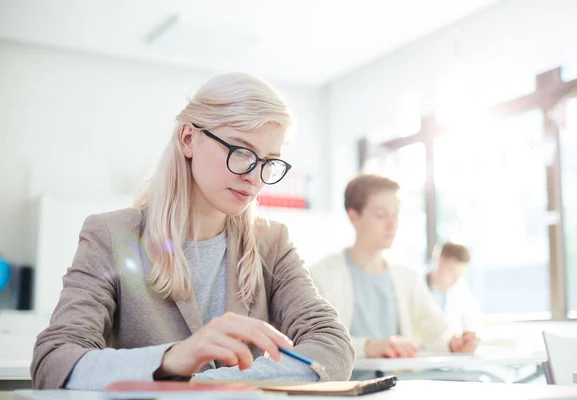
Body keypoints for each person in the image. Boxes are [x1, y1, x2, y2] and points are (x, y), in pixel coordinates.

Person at [31, 73, 354, 390]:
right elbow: (55, 360)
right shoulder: (113, 235)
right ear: (188, 138)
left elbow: (332, 347)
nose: (255, 178)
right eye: (241, 152)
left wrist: (198, 384)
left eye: (269, 161)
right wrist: (173, 359)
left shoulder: (272, 242)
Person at [309, 174, 478, 359]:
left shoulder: (407, 277)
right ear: (354, 217)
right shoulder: (320, 276)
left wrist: (454, 343)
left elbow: (435, 329)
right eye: (381, 215)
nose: (392, 225)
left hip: (401, 383)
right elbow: (317, 342)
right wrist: (369, 347)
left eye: (395, 214)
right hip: (346, 383)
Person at [425, 242, 482, 333]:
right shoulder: (418, 285)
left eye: (459, 276)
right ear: (440, 260)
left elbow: (473, 323)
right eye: (452, 272)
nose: (455, 281)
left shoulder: (460, 288)